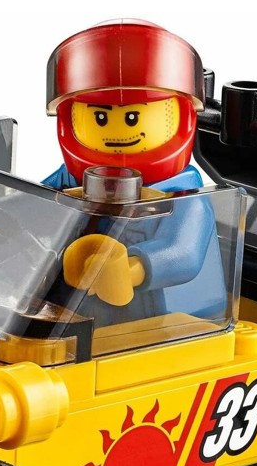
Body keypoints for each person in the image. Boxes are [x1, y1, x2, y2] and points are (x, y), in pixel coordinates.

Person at [44, 19, 226, 322]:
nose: (117, 134)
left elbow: (184, 252)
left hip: (174, 321)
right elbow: (35, 203)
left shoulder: (184, 196)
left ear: (181, 117)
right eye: (99, 118)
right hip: (83, 309)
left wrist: (131, 270)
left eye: (133, 118)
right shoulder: (70, 180)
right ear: (68, 119)